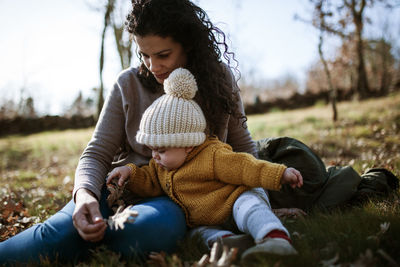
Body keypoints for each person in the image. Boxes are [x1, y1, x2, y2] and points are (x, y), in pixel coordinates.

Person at [0, 0, 264, 264]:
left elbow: (243, 148)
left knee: (149, 230)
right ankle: (77, 236)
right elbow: (96, 153)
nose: (153, 66)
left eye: (163, 55)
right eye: (145, 55)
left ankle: (88, 240)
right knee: (55, 235)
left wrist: (263, 207)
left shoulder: (220, 80)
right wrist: (84, 196)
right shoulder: (128, 83)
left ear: (189, 44)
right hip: (119, 190)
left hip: (175, 202)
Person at [107, 68, 303, 259]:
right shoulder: (160, 167)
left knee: (250, 206)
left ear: (187, 146)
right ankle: (230, 243)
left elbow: (246, 167)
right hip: (205, 220)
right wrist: (130, 172)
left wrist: (280, 174)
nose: (154, 156)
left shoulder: (212, 155)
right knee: (197, 235)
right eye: (152, 149)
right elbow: (147, 180)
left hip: (233, 202)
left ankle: (275, 239)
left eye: (161, 150)